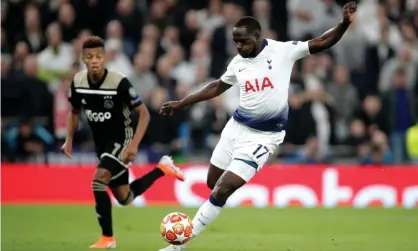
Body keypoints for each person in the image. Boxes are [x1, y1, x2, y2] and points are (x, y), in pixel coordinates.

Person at [159, 2, 357, 250]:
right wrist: (182, 103)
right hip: (236, 128)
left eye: (243, 42)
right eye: (235, 42)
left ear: (257, 36)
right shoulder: (238, 62)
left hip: (263, 137)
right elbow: (217, 86)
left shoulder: (282, 51)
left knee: (221, 190)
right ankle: (233, 181)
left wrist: (344, 24)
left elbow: (320, 42)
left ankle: (180, 244)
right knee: (212, 183)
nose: (239, 47)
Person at [61, 36, 184, 249]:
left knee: (98, 181)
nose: (95, 61)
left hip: (122, 139)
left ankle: (107, 238)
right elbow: (73, 111)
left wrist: (133, 145)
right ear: (83, 58)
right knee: (124, 197)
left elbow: (144, 114)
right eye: (89, 57)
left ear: (105, 58)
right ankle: (162, 169)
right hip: (101, 145)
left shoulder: (119, 83)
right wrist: (69, 138)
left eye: (99, 56)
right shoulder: (78, 82)